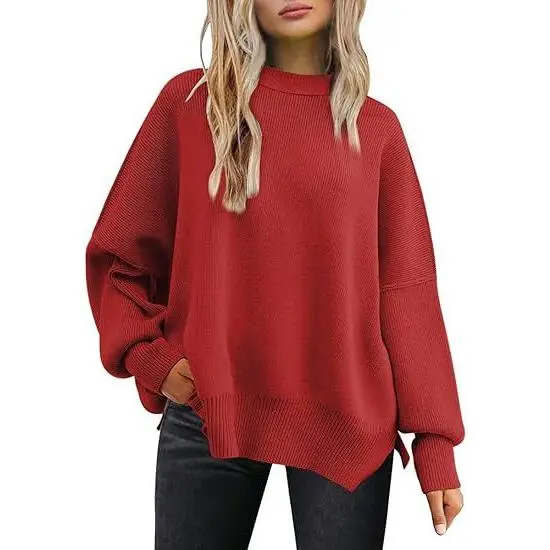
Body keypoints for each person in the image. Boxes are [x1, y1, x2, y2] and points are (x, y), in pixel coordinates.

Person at [85, 1, 465, 548]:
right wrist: (151, 358)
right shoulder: (192, 105)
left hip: (346, 420)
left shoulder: (376, 129)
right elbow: (120, 254)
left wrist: (435, 442)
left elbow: (406, 291)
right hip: (209, 407)